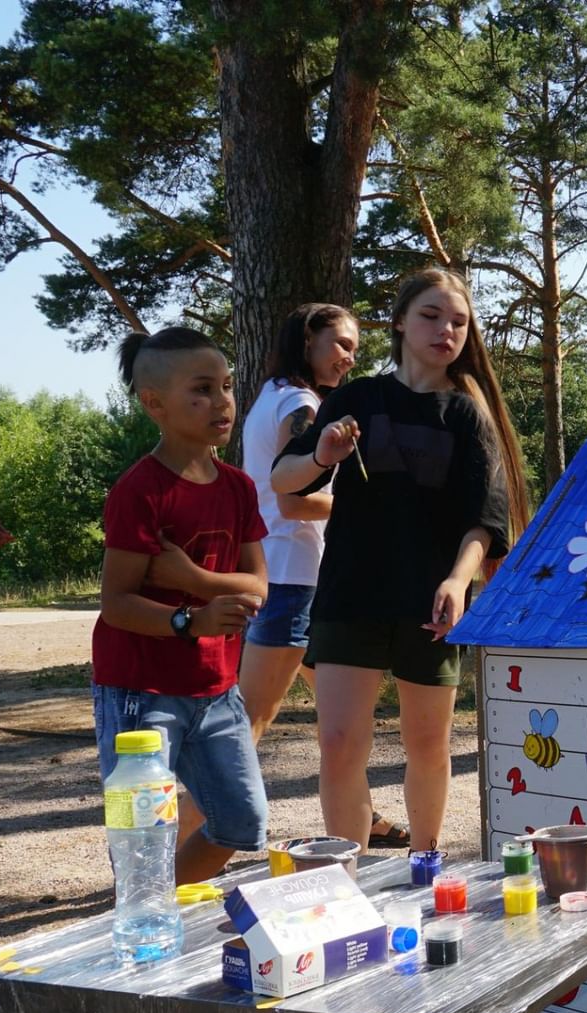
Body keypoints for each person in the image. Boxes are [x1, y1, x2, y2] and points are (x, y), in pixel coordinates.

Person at [272, 269, 528, 853]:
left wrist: (458, 581)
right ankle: (344, 873)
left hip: (429, 606)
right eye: (432, 317)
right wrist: (322, 451)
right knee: (339, 742)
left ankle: (425, 861)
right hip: (349, 598)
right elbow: (283, 479)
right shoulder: (358, 396)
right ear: (400, 322)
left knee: (428, 744)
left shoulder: (467, 414)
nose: (446, 331)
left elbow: (486, 521)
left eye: (459, 322)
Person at [92, 326, 269, 885]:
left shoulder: (238, 486)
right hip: (139, 695)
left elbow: (259, 588)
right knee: (140, 833)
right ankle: (143, 909)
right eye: (202, 389)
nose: (222, 402)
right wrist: (190, 620)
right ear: (154, 404)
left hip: (218, 690)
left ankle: (156, 903)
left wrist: (192, 578)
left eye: (226, 386)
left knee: (243, 823)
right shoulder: (139, 491)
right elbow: (116, 603)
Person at [239, 303, 407, 850]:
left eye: (356, 348)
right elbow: (295, 502)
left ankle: (364, 818)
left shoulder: (272, 395)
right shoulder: (304, 406)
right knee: (250, 720)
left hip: (291, 573)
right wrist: (367, 507)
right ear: (308, 339)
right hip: (295, 579)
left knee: (340, 722)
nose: (350, 357)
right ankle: (187, 838)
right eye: (341, 344)